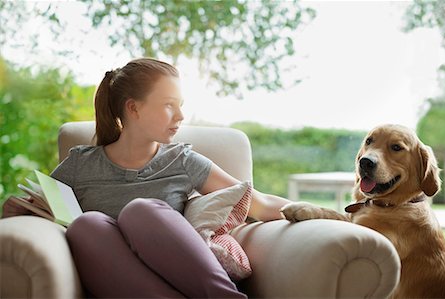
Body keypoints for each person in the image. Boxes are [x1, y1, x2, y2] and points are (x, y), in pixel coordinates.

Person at [3, 58, 292, 298]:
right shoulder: (80, 164)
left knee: (142, 211)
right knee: (86, 225)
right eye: (169, 104)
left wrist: (325, 214)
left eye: (181, 104)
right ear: (134, 108)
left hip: (188, 282)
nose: (180, 115)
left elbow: (260, 204)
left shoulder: (182, 160)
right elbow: (40, 208)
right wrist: (14, 213)